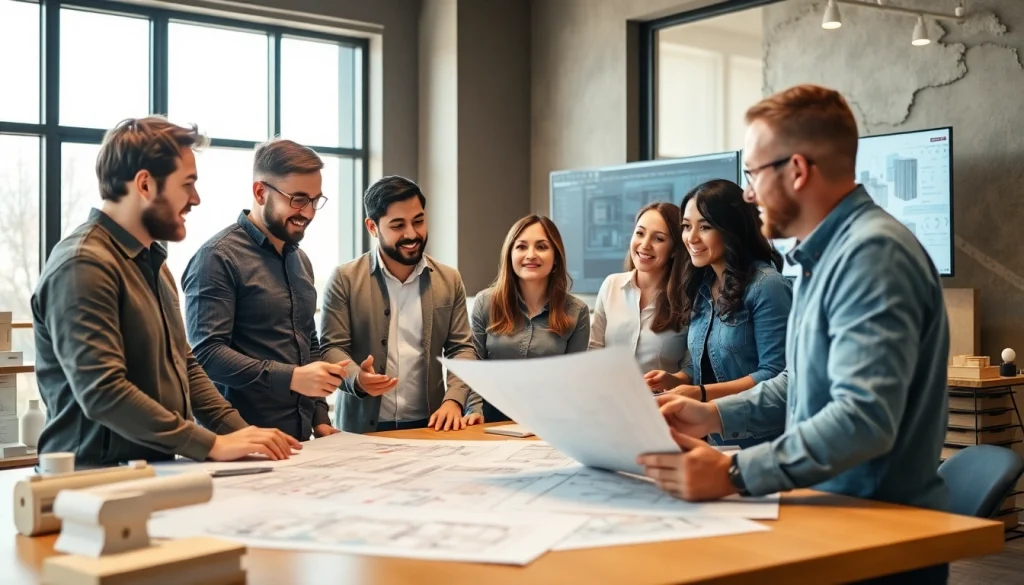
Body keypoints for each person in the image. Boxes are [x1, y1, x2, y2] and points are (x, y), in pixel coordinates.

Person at [638, 84, 949, 584]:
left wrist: (735, 473)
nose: (747, 193)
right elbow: (799, 384)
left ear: (798, 170)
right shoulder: (825, 257)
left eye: (753, 174)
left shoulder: (872, 255)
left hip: (876, 543)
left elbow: (863, 419)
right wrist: (711, 412)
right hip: (830, 519)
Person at [31, 117, 301, 467]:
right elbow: (103, 392)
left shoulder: (152, 264)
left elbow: (185, 364)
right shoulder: (84, 264)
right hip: (90, 481)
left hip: (150, 473)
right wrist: (210, 444)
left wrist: (243, 436)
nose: (195, 199)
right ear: (144, 184)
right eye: (186, 184)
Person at [182, 138, 349, 442]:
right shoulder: (217, 257)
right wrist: (292, 379)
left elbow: (307, 343)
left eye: (315, 200)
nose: (309, 213)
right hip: (238, 444)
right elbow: (207, 354)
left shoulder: (300, 261)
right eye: (298, 199)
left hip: (299, 444)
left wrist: (320, 418)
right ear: (260, 192)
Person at [320, 175, 478, 432]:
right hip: (362, 429)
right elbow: (331, 347)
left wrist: (454, 400)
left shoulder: (449, 279)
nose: (412, 234)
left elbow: (462, 349)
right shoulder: (344, 279)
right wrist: (357, 378)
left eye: (418, 221)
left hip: (431, 426)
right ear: (372, 227)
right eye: (397, 225)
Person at [644, 179, 792, 448]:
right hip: (716, 439)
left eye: (705, 227)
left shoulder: (767, 286)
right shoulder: (701, 286)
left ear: (732, 229)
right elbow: (700, 362)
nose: (691, 238)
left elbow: (775, 374)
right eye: (687, 227)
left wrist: (700, 394)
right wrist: (676, 379)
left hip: (762, 442)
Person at [464, 215, 591, 423]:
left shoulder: (577, 311)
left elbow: (572, 382)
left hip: (549, 424)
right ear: (510, 255)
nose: (530, 255)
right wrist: (474, 412)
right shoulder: (485, 303)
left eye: (541, 247)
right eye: (521, 247)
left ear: (556, 257)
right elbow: (474, 365)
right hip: (488, 423)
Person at [589, 202, 688, 375]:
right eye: (640, 233)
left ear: (674, 250)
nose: (645, 244)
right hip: (609, 397)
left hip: (662, 400)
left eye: (659, 238)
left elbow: (692, 369)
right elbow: (594, 350)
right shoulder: (611, 285)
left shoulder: (687, 299)